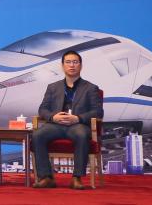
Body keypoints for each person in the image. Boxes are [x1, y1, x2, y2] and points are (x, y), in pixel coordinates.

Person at [32, 49, 103, 190]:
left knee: (82, 135)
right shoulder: (53, 87)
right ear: (62, 65)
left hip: (78, 125)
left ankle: (76, 178)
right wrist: (53, 117)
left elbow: (98, 112)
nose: (72, 65)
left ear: (80, 65)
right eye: (68, 62)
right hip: (56, 125)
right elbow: (43, 109)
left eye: (75, 62)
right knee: (37, 135)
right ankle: (46, 177)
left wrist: (78, 118)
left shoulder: (91, 88)